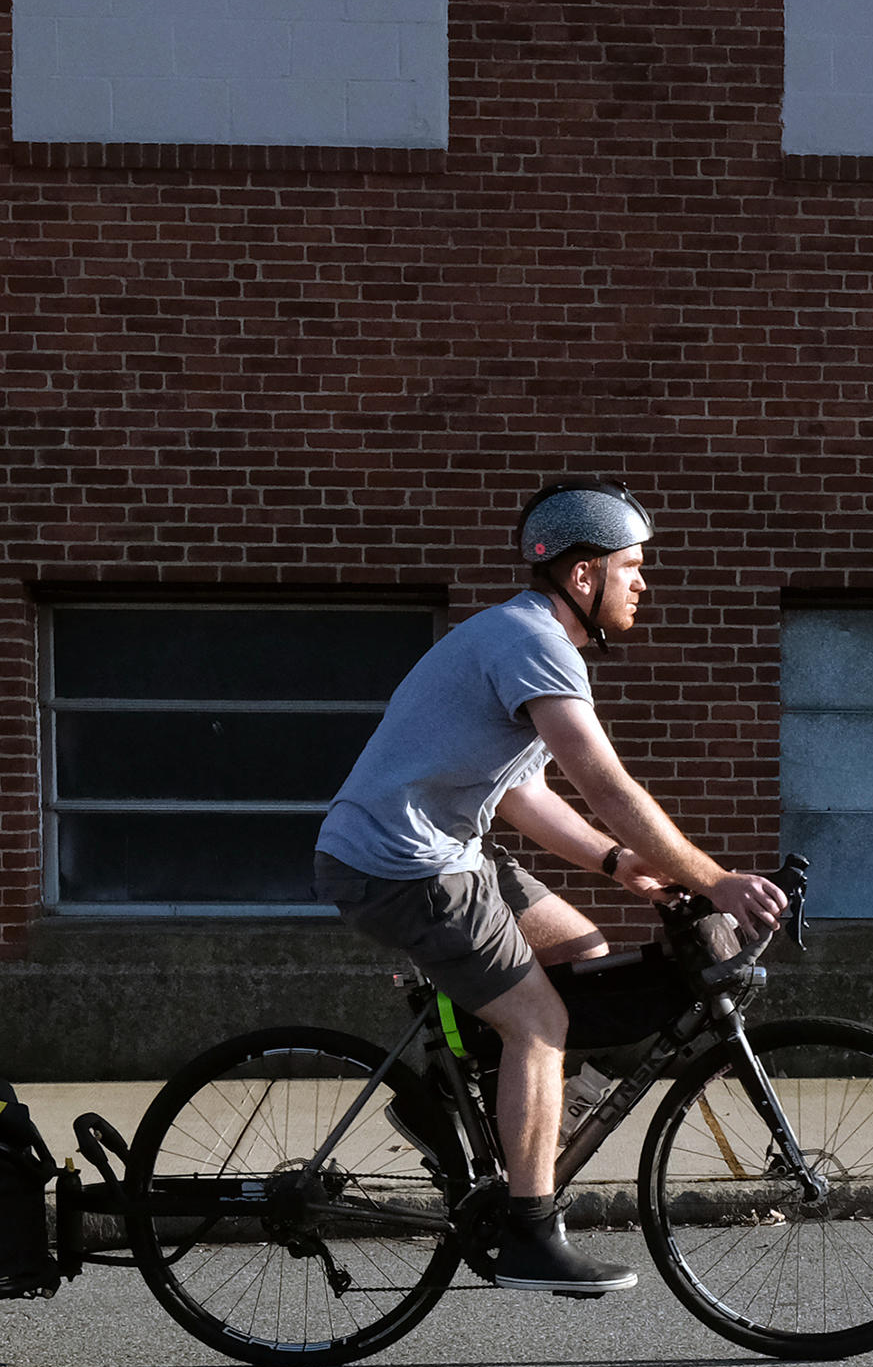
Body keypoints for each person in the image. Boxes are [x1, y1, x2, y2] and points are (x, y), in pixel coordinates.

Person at [312, 479, 789, 1294]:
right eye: (632, 566)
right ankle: (530, 1232)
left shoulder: (521, 636)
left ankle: (461, 1110)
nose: (644, 583)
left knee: (583, 947)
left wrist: (616, 863)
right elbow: (605, 784)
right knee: (540, 1021)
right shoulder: (535, 643)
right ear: (582, 577)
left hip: (446, 847)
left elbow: (524, 794)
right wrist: (712, 877)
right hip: (405, 864)